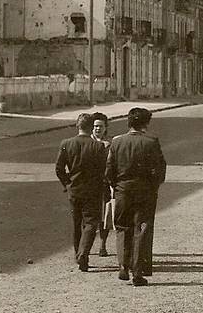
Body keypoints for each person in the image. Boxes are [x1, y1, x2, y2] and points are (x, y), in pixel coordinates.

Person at [105, 107, 167, 286]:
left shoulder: (117, 142)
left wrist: (116, 186)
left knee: (123, 227)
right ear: (146, 124)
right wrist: (154, 186)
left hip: (123, 190)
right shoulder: (151, 141)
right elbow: (161, 168)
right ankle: (138, 272)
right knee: (142, 228)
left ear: (129, 122)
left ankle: (123, 265)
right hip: (145, 191)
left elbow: (109, 169)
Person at [55, 113, 107, 271]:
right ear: (91, 127)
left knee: (77, 224)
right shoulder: (98, 146)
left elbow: (59, 168)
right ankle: (83, 254)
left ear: (78, 126)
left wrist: (67, 184)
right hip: (93, 191)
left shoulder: (66, 143)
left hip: (74, 191)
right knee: (91, 223)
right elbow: (103, 170)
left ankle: (78, 254)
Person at [91, 112, 113, 257]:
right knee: (89, 216)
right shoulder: (87, 142)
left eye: (100, 126)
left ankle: (102, 245)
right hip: (90, 185)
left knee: (105, 216)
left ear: (105, 128)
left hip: (105, 184)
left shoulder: (110, 144)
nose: (97, 129)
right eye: (95, 126)